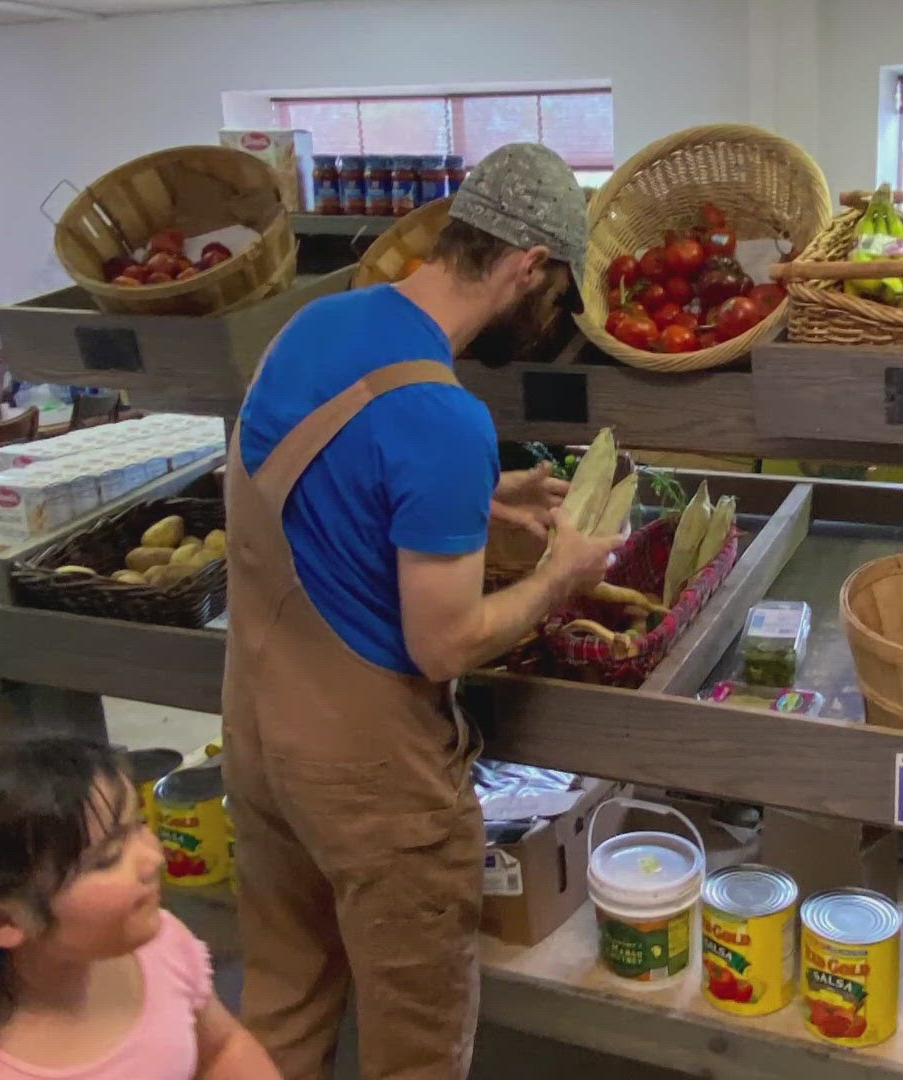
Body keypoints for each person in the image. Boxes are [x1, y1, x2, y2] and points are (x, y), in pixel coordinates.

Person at [225, 142, 620, 1079]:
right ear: (529, 266)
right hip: (372, 781)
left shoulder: (316, 328)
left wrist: (479, 506)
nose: (552, 318)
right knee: (416, 1037)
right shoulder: (446, 417)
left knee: (284, 999)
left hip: (258, 733)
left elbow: (323, 475)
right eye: (559, 294)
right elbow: (444, 643)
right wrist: (560, 576)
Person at [0, 737, 279, 1080]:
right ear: (1, 921)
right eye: (108, 858)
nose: (154, 858)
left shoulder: (161, 947)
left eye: (138, 826)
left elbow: (223, 1049)